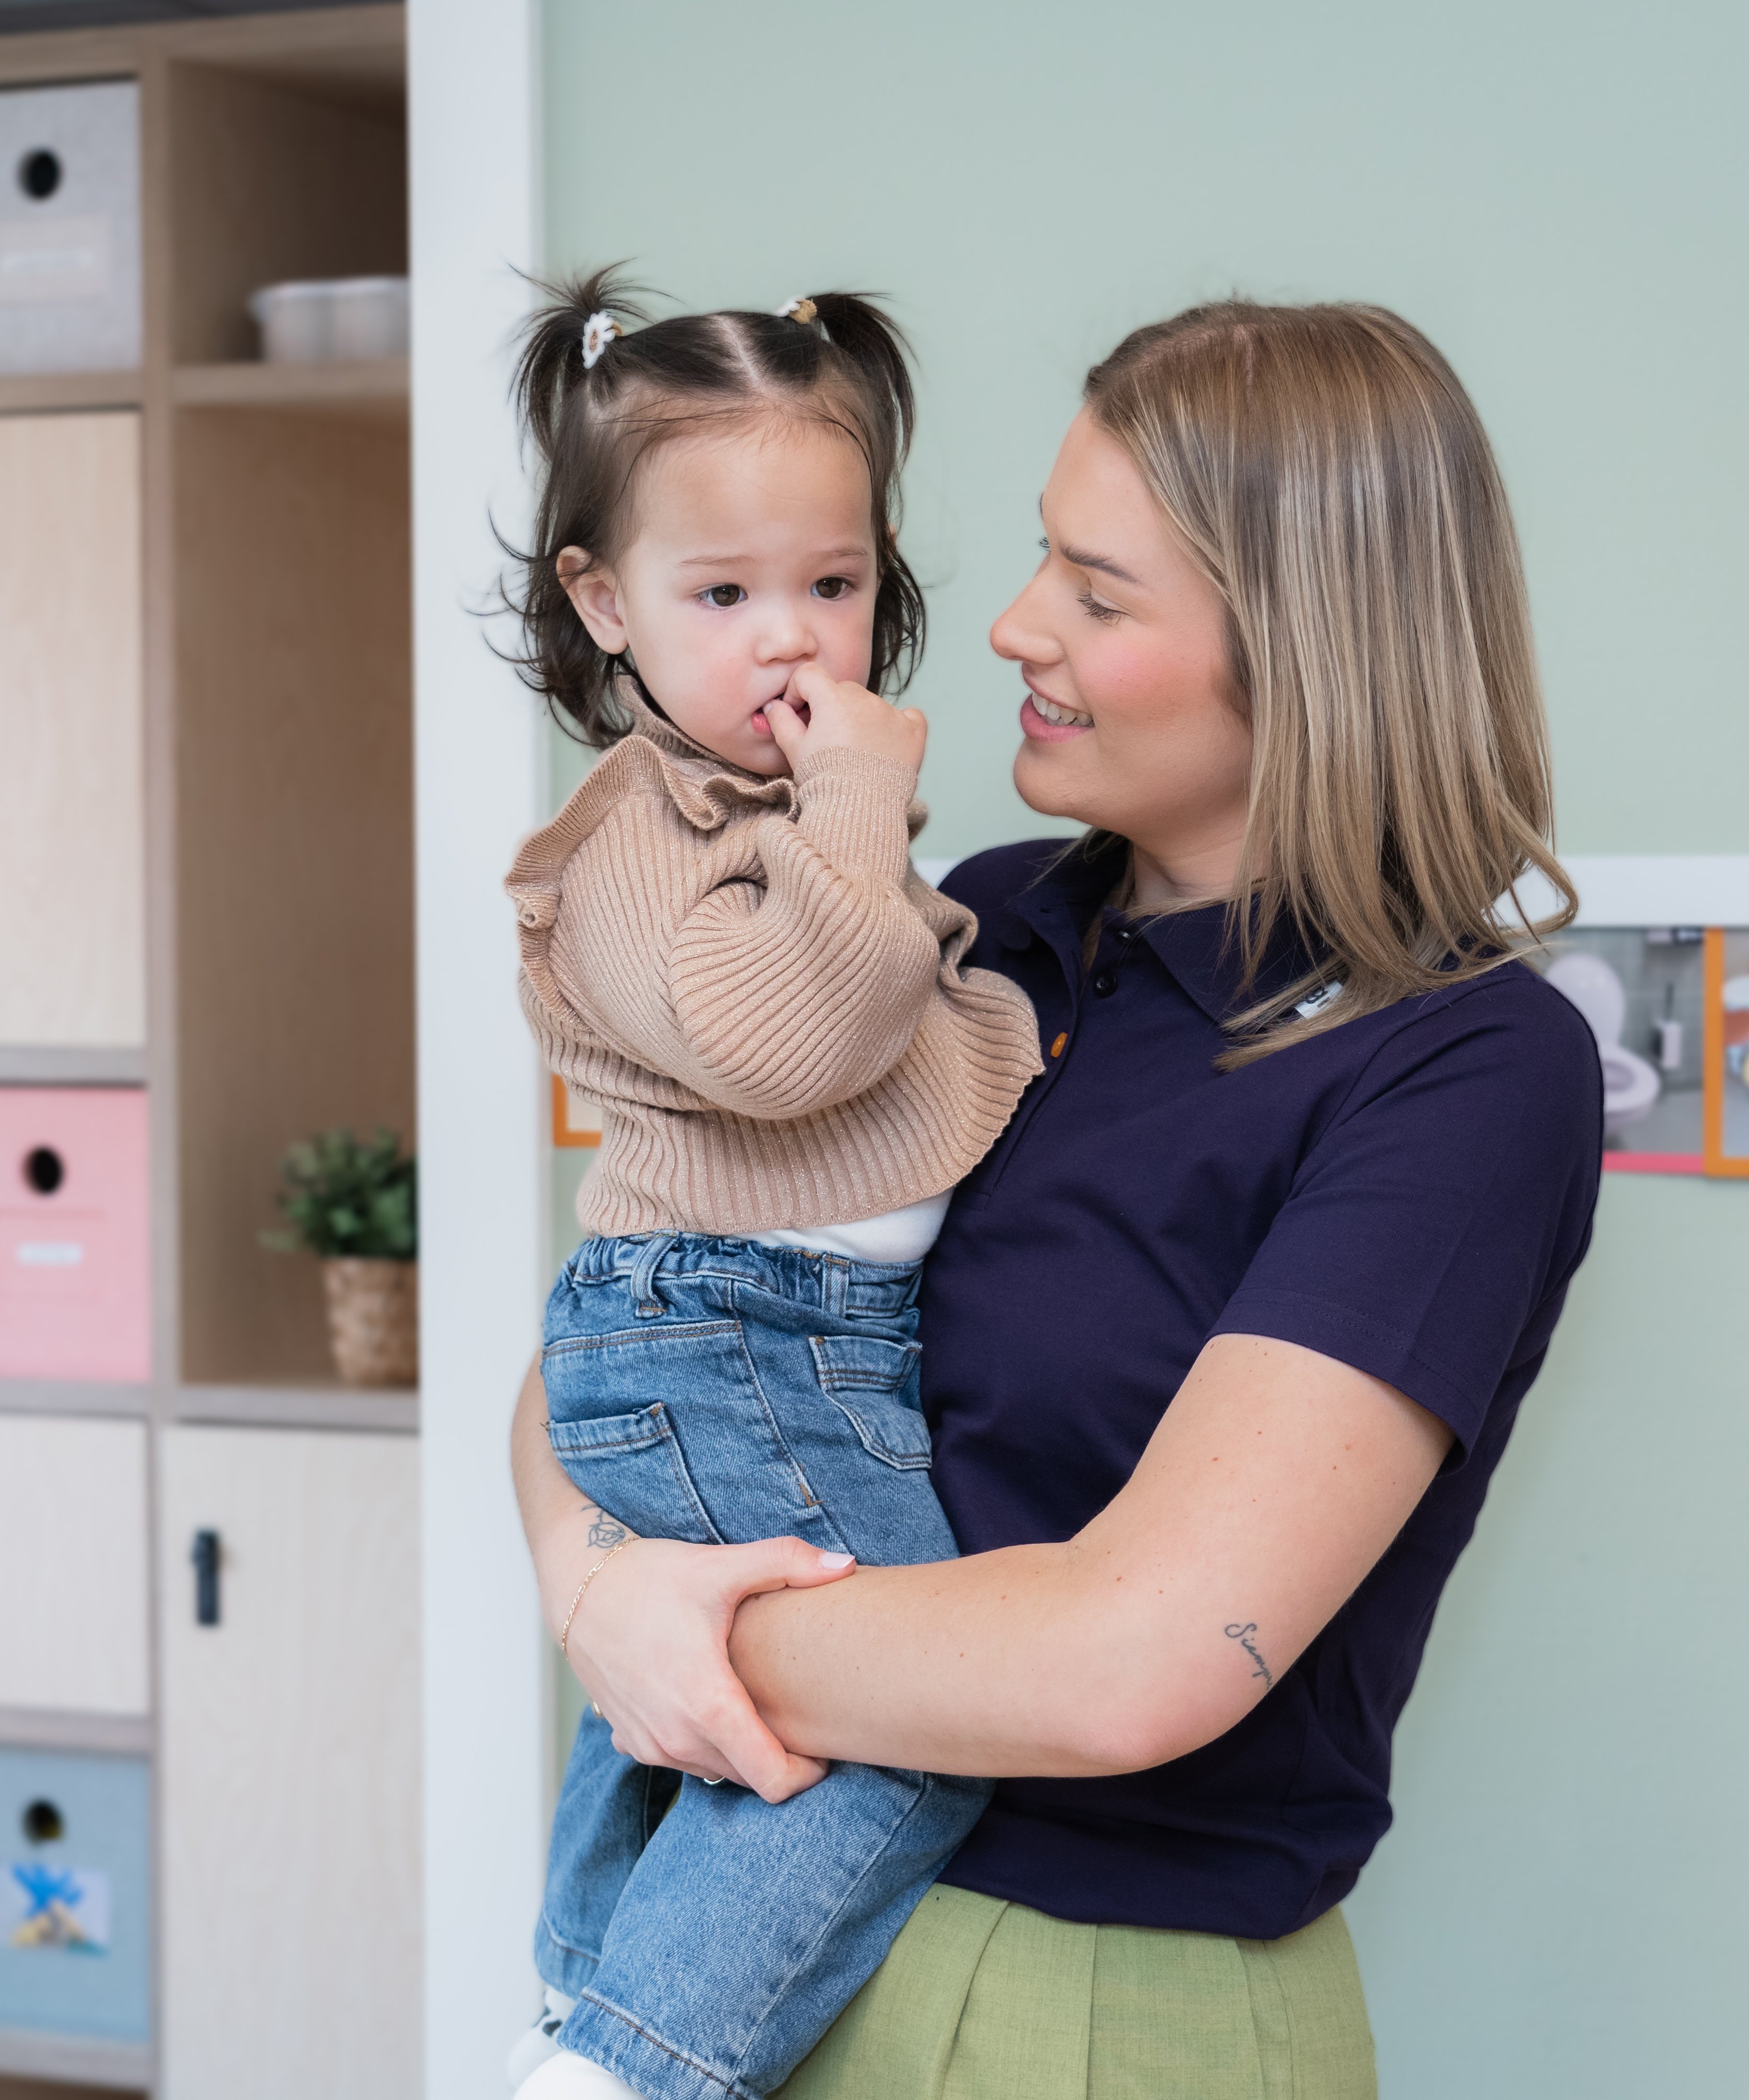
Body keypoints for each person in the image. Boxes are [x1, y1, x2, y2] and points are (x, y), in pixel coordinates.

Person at [515, 298, 1603, 2096]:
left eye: (1099, 595)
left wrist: (685, 1627)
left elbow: (1129, 1665)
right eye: (1039, 549)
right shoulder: (986, 924)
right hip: (741, 1948)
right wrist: (592, 1590)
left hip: (1085, 2006)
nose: (1012, 624)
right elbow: (646, 1317)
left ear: (1310, 649)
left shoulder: (1464, 1072)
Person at [497, 269, 1046, 2100]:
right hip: (740, 1321)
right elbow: (788, 1044)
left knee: (692, 1702)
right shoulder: (637, 839)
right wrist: (859, 818)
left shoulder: (758, 818)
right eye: (721, 596)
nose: (792, 645)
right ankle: (631, 2065)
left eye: (831, 586)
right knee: (910, 1717)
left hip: (769, 1324)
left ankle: (573, 2008)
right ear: (602, 603)